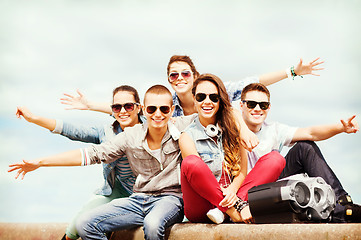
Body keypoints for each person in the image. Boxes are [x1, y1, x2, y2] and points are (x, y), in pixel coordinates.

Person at [9, 85, 197, 240]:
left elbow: (213, 113)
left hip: (166, 197)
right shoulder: (124, 135)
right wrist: (40, 161)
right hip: (132, 196)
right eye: (152, 109)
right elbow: (87, 149)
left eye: (164, 109)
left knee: (153, 223)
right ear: (145, 110)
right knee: (82, 224)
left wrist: (90, 105)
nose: (158, 114)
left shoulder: (175, 124)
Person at [61, 55, 323, 150]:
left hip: (228, 152)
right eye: (173, 74)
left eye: (185, 73)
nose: (179, 78)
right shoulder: (168, 105)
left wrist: (292, 71)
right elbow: (135, 111)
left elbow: (252, 81)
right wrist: (91, 105)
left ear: (194, 75)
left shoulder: (212, 91)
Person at [15, 85, 143, 240]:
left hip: (143, 193)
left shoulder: (152, 127)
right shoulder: (106, 132)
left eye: (128, 106)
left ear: (138, 107)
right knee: (74, 229)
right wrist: (34, 119)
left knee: (101, 222)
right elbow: (73, 130)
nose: (122, 111)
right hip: (116, 190)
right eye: (116, 107)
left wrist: (91, 106)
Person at [239, 82, 360, 223]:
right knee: (274, 159)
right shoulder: (232, 128)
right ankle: (341, 214)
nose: (257, 109)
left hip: (270, 186)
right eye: (251, 104)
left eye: (263, 105)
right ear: (241, 105)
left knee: (305, 146)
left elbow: (310, 133)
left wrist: (340, 128)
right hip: (246, 191)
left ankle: (343, 202)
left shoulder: (274, 129)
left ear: (269, 107)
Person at [178, 74, 286, 224]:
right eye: (201, 97)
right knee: (190, 163)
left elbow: (242, 171)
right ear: (194, 99)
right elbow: (197, 178)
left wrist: (232, 191)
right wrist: (231, 205)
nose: (207, 101)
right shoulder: (186, 136)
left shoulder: (233, 127)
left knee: (276, 159)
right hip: (202, 205)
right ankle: (232, 212)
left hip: (233, 196)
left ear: (220, 100)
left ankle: (227, 210)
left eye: (213, 97)